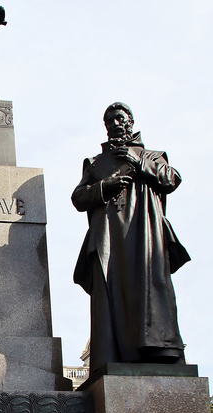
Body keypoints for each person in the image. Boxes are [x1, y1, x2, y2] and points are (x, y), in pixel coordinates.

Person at [72, 102, 190, 373]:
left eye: (119, 118)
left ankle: (157, 349)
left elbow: (172, 179)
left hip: (145, 235)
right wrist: (105, 186)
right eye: (109, 120)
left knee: (148, 291)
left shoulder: (152, 156)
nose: (114, 124)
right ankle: (114, 355)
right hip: (110, 241)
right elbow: (78, 198)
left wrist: (140, 164)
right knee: (112, 294)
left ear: (130, 121)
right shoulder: (96, 164)